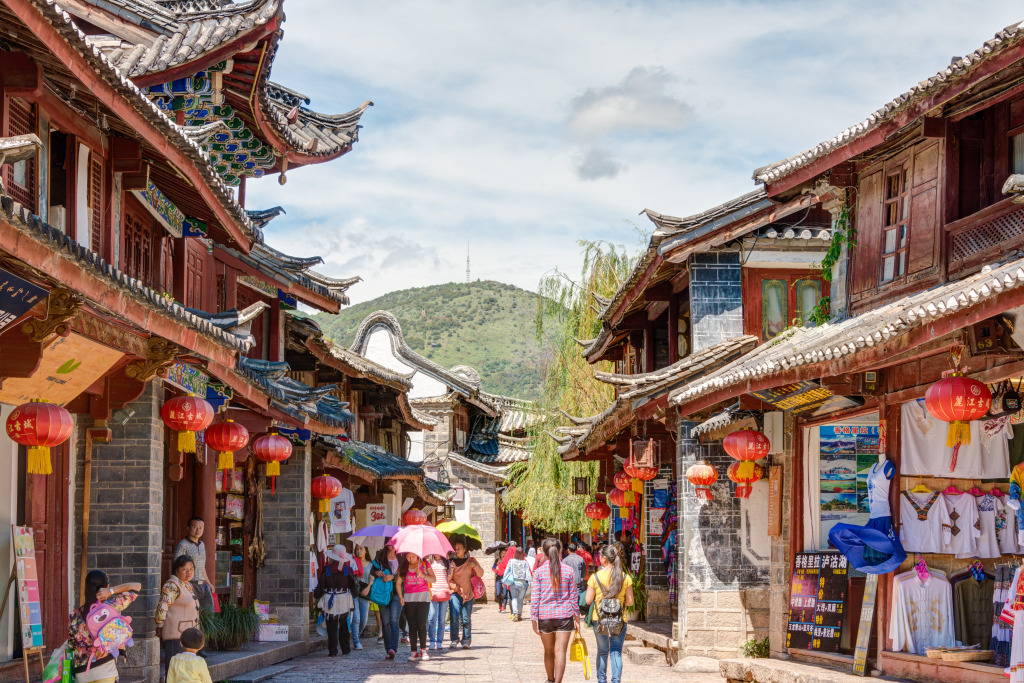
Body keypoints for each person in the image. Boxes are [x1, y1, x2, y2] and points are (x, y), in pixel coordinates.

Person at [69, 570, 140, 683]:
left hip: (82, 672)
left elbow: (72, 645)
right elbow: (136, 587)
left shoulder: (74, 614)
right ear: (106, 587)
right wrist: (111, 591)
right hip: (104, 669)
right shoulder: (110, 607)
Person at [586, 546, 635, 683]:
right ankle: (616, 680)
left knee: (602, 652)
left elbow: (588, 600)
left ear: (604, 559)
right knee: (616, 652)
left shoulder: (595, 577)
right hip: (619, 620)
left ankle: (602, 680)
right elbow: (630, 602)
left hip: (599, 619)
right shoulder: (625, 577)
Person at [156, 555, 200, 672]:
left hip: (188, 634)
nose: (189, 572)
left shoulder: (188, 585)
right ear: (176, 570)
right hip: (175, 634)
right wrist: (160, 625)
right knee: (175, 669)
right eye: (185, 569)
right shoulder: (172, 585)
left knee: (186, 670)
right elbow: (163, 607)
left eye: (191, 569)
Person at [315, 544, 355, 657]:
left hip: (330, 600)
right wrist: (355, 595)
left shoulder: (327, 569)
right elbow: (353, 586)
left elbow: (321, 586)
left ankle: (332, 650)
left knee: (331, 626)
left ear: (332, 557)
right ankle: (346, 648)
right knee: (344, 625)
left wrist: (316, 596)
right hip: (343, 600)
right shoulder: (348, 570)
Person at [396, 552, 433, 661]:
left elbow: (433, 579)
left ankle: (423, 649)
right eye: (408, 557)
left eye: (412, 556)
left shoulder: (425, 564)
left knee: (421, 623)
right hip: (409, 598)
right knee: (412, 625)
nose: (410, 559)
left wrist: (423, 575)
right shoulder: (403, 566)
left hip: (423, 597)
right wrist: (400, 596)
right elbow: (398, 583)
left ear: (417, 555)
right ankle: (413, 651)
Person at [447, 540, 484, 649]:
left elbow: (481, 574)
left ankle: (466, 640)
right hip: (455, 593)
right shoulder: (451, 562)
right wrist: (452, 570)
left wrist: (475, 566)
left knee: (466, 618)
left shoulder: (471, 561)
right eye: (455, 548)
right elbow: (448, 579)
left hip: (468, 594)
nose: (457, 550)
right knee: (454, 617)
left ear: (464, 549)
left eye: (459, 548)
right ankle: (454, 639)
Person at [174, 517, 213, 610]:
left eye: (201, 527)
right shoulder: (182, 545)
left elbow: (202, 566)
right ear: (188, 528)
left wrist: (209, 583)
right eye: (195, 527)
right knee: (192, 613)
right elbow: (177, 566)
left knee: (209, 614)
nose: (198, 530)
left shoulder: (202, 545)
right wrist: (183, 585)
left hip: (203, 585)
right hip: (190, 584)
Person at [371, 545, 402, 659]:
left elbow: (404, 573)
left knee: (394, 621)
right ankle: (388, 648)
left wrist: (393, 577)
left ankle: (393, 648)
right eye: (389, 541)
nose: (391, 545)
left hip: (397, 592)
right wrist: (377, 573)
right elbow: (372, 569)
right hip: (383, 592)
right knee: (385, 622)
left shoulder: (401, 555)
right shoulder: (380, 554)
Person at [350, 544, 373, 650]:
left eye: (361, 549)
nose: (358, 551)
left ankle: (356, 635)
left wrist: (368, 589)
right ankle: (356, 641)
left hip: (365, 593)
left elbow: (372, 580)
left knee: (364, 620)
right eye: (357, 549)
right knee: (356, 618)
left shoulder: (370, 564)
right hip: (354, 593)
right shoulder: (352, 562)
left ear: (366, 551)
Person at [501, 548, 532, 621]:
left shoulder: (511, 561)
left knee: (514, 598)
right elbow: (528, 573)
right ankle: (519, 614)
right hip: (522, 583)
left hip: (513, 582)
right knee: (520, 599)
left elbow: (506, 571)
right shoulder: (525, 562)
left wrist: (504, 581)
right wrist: (531, 583)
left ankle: (515, 613)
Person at [427, 554, 450, 650]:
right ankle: (432, 640)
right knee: (432, 617)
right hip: (433, 592)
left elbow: (449, 576)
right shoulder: (429, 561)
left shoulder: (446, 562)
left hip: (444, 591)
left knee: (441, 619)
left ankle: (439, 641)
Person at [563, 543, 588, 609]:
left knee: (569, 603)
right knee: (578, 603)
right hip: (579, 584)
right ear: (576, 549)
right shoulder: (580, 559)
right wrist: (582, 578)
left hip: (568, 586)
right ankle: (577, 616)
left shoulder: (565, 560)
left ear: (568, 550)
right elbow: (584, 571)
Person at [494, 543, 517, 613]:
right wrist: (496, 570)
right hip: (499, 578)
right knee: (498, 593)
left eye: (505, 553)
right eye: (502, 553)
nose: (503, 554)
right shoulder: (497, 561)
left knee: (504, 594)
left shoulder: (508, 561)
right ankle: (500, 605)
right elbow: (493, 568)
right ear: (500, 554)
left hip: (506, 579)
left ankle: (504, 607)